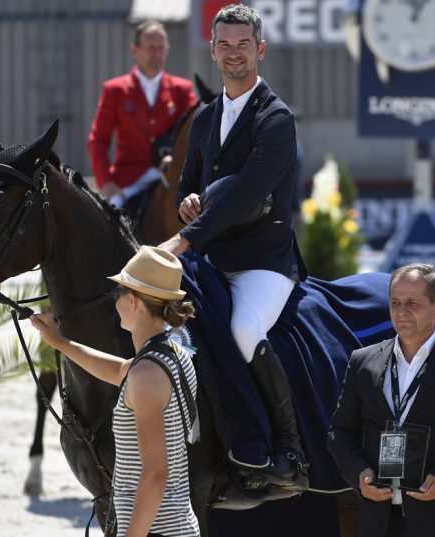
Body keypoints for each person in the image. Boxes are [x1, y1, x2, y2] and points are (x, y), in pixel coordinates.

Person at [157, 4, 308, 490]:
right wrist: (187, 204)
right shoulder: (204, 119)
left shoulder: (276, 119)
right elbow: (185, 186)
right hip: (211, 261)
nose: (234, 52)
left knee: (243, 329)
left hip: (263, 263)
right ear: (213, 50)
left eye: (244, 44)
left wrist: (184, 237)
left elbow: (247, 192)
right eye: (225, 44)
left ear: (259, 50)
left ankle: (289, 449)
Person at [30, 246, 200, 537]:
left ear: (133, 301)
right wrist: (60, 342)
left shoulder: (146, 376)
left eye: (117, 292)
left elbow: (156, 474)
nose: (114, 300)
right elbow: (120, 370)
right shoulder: (173, 353)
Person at [327, 263, 435, 537]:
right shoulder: (362, 362)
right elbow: (339, 432)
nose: (401, 311)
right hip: (380, 522)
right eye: (395, 302)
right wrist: (359, 474)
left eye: (412, 303)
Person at [87, 20, 198, 208]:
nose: (156, 53)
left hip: (169, 176)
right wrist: (106, 183)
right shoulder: (115, 90)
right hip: (128, 180)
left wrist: (173, 156)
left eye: (161, 47)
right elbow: (98, 140)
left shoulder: (182, 89)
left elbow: (194, 134)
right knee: (107, 224)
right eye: (151, 47)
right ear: (135, 49)